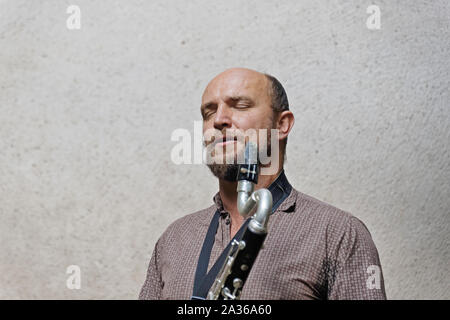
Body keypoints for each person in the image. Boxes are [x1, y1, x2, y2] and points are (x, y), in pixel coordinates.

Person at [139, 68, 386, 300]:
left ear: (282, 124)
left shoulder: (339, 233)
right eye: (208, 112)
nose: (219, 120)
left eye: (240, 105)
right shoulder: (174, 238)